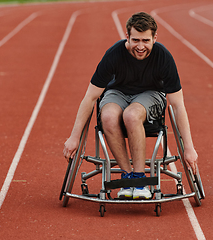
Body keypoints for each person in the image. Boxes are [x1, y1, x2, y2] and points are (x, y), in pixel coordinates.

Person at [63, 12, 197, 200]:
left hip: (151, 94)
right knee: (107, 116)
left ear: (154, 38)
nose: (140, 47)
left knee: (131, 115)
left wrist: (189, 147)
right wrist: (74, 137)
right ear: (127, 36)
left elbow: (177, 105)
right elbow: (90, 98)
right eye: (135, 40)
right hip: (117, 92)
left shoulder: (163, 57)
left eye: (145, 40)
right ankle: (127, 177)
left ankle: (140, 181)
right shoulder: (114, 54)